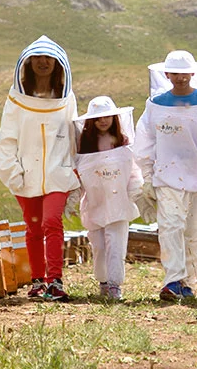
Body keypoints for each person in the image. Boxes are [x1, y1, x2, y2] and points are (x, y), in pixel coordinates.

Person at [0, 35, 80, 302]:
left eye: (49, 58)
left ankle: (55, 280)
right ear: (28, 63)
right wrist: (12, 173)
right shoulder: (16, 99)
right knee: (33, 228)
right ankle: (38, 280)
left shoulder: (66, 98)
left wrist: (74, 171)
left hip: (58, 172)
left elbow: (73, 133)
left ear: (58, 63)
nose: (43, 62)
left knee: (52, 222)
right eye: (38, 58)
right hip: (25, 174)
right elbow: (7, 137)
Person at [134, 50, 197, 301]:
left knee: (193, 230)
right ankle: (172, 281)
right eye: (175, 73)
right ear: (166, 74)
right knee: (170, 226)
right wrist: (148, 175)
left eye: (184, 73)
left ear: (193, 73)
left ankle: (188, 283)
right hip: (166, 175)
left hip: (196, 176)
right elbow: (145, 140)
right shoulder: (155, 104)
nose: (180, 78)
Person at [74, 96, 143, 300]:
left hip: (119, 203)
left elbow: (134, 173)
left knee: (116, 244)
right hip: (95, 204)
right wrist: (71, 199)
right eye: (98, 118)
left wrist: (137, 194)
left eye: (106, 117)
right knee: (99, 246)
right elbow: (79, 178)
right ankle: (103, 281)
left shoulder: (124, 145)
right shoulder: (84, 148)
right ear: (90, 122)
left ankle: (115, 285)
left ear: (114, 118)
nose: (102, 121)